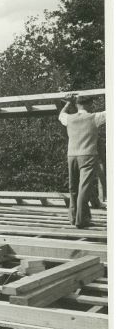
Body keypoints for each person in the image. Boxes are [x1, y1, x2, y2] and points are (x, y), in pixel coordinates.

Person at [59, 94, 106, 228]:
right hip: (88, 155)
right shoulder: (94, 117)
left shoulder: (69, 118)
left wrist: (68, 104)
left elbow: (61, 114)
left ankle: (73, 218)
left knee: (73, 187)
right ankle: (81, 220)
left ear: (77, 105)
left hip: (72, 155)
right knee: (84, 188)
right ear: (90, 104)